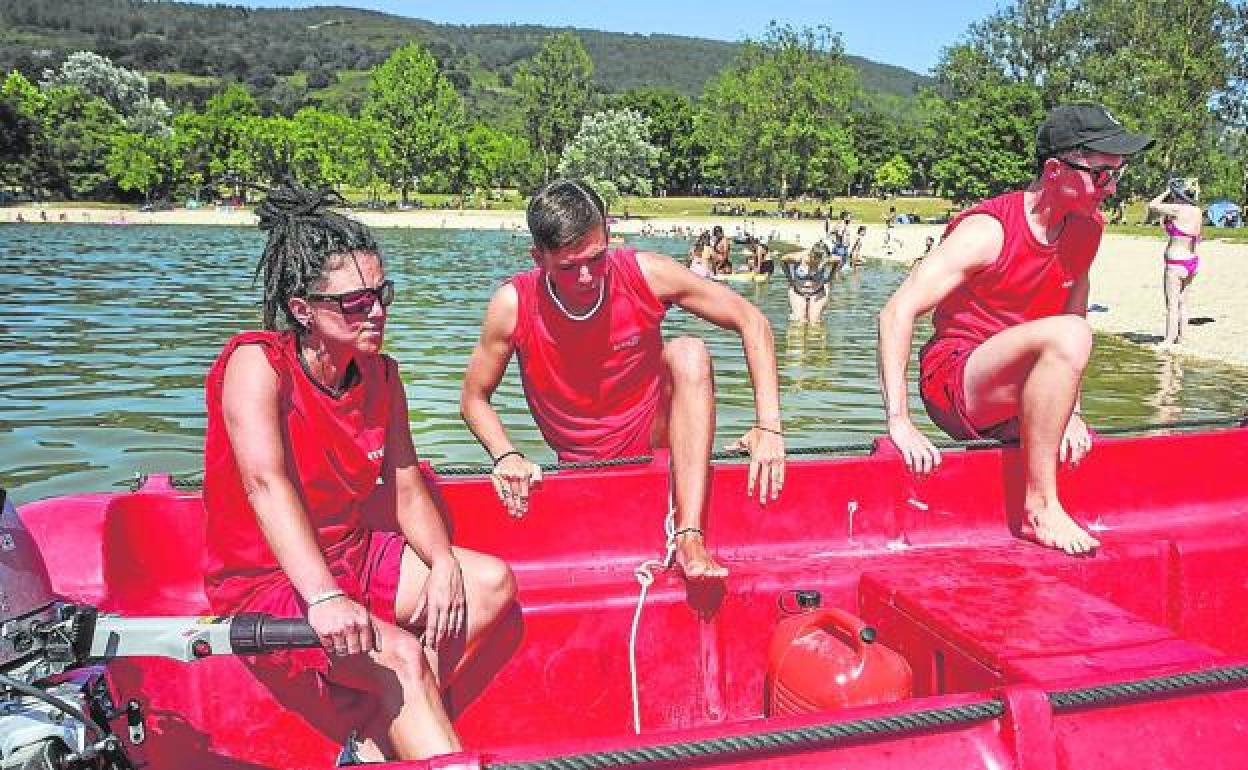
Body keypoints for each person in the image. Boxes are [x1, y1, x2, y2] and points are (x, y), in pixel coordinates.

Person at [202, 182, 517, 762]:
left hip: (354, 552)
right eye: (354, 302)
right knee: (402, 655)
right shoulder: (256, 364)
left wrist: (443, 561)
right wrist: (323, 597)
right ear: (303, 310)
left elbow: (403, 480)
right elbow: (264, 483)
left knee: (490, 583)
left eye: (381, 294)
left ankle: (374, 741)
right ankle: (410, 714)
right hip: (270, 580)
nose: (375, 311)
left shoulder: (382, 375)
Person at [461, 179, 786, 580]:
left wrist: (768, 425)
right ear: (538, 257)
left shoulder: (645, 273)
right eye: (567, 267)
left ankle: (689, 536)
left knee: (689, 352)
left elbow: (752, 320)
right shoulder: (513, 304)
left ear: (608, 238)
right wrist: (506, 454)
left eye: (596, 260)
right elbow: (474, 399)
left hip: (652, 434)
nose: (586, 278)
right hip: (577, 459)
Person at [877, 103, 1153, 556]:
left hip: (1022, 381)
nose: (1113, 189)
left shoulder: (1089, 230)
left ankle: (1040, 470)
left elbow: (1074, 305)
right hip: (956, 380)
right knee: (1070, 335)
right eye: (1101, 175)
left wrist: (1074, 412)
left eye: (1119, 175)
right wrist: (900, 422)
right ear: (1054, 170)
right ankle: (1039, 507)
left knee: (1071, 334)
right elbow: (895, 313)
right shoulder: (986, 231)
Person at [1147, 177, 1202, 350]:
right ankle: (1182, 338)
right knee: (1183, 303)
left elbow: (1152, 205)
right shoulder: (1197, 211)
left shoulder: (1177, 209)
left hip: (1176, 263)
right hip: (1192, 261)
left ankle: (1169, 341)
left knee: (1171, 305)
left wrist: (1166, 192)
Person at [782, 242, 836, 324]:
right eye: (821, 261)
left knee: (814, 322)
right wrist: (789, 279)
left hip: (818, 292)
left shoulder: (826, 258)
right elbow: (783, 260)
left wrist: (830, 279)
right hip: (798, 292)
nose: (822, 263)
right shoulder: (798, 257)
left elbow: (838, 260)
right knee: (799, 321)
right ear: (813, 256)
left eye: (824, 261)